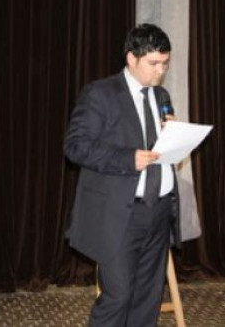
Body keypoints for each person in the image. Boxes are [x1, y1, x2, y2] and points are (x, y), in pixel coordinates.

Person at [65, 23, 180, 327]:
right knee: (118, 296)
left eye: (165, 63)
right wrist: (127, 159)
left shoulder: (162, 96)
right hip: (120, 214)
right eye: (154, 63)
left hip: (159, 210)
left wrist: (175, 137)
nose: (161, 71)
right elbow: (76, 146)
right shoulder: (101, 93)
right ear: (131, 58)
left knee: (148, 298)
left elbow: (162, 151)